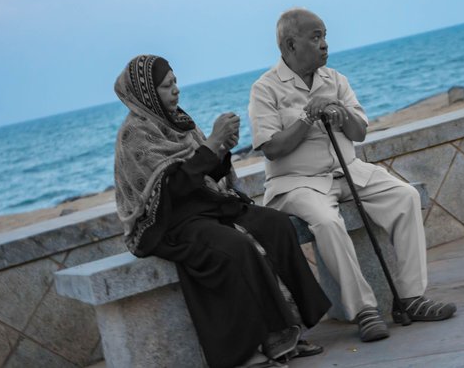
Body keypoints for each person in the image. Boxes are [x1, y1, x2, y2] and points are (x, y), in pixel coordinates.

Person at [248, 9, 456, 343]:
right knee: (328, 223)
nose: (325, 44)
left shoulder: (336, 79)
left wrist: (340, 112)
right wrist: (306, 116)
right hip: (298, 183)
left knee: (406, 197)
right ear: (290, 44)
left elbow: (359, 133)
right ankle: (364, 311)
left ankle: (411, 298)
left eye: (324, 35)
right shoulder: (265, 89)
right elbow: (271, 148)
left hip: (349, 172)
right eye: (315, 37)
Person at [113, 54, 330, 368]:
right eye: (166, 86)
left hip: (203, 206)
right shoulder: (135, 135)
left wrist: (221, 149)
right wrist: (211, 144)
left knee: (276, 225)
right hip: (169, 222)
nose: (175, 91)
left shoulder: (179, 121)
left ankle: (291, 328)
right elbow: (170, 191)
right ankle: (256, 343)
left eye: (175, 83)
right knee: (235, 247)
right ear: (146, 93)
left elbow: (204, 175)